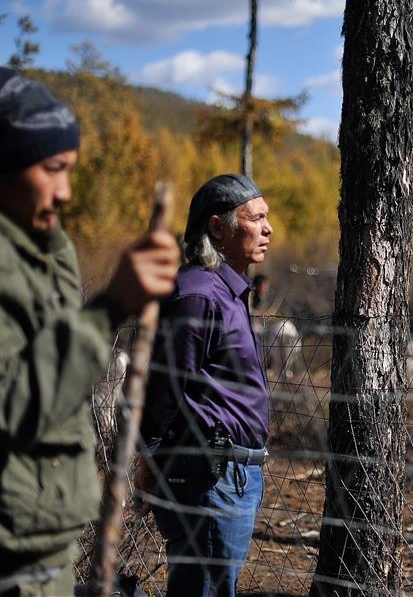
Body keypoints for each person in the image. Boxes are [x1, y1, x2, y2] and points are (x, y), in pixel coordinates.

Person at [0, 66, 181, 596]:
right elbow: (10, 404)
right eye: (52, 169)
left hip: (40, 543)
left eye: (71, 171)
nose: (65, 192)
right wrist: (110, 308)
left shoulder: (34, 245)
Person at [139, 173, 272, 597]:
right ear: (218, 228)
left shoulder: (227, 291)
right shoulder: (198, 294)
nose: (268, 228)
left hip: (232, 478)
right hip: (209, 481)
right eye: (256, 218)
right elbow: (163, 391)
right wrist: (151, 467)